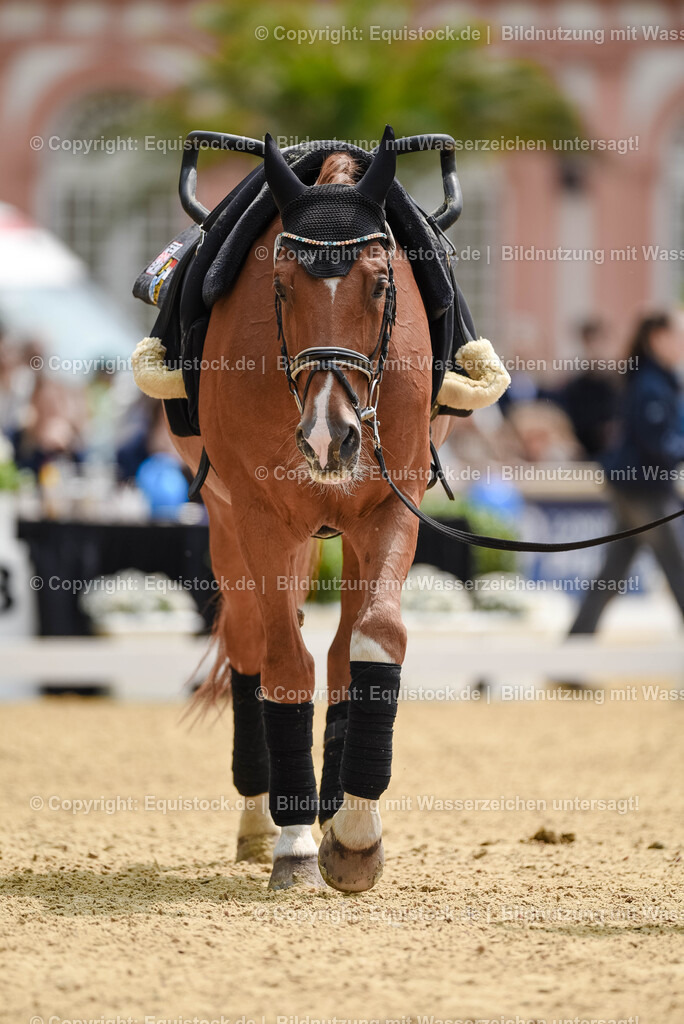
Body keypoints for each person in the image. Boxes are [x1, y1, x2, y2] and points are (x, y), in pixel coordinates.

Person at [568, 311, 684, 634]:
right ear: (658, 338)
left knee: (612, 573)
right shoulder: (651, 384)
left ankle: (572, 653)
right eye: (678, 336)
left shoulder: (657, 380)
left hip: (638, 487)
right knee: (679, 570)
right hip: (644, 490)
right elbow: (657, 444)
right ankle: (571, 655)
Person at [555, 319, 620, 457]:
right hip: (586, 457)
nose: (596, 348)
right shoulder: (574, 387)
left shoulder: (620, 383)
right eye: (591, 342)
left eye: (600, 342)